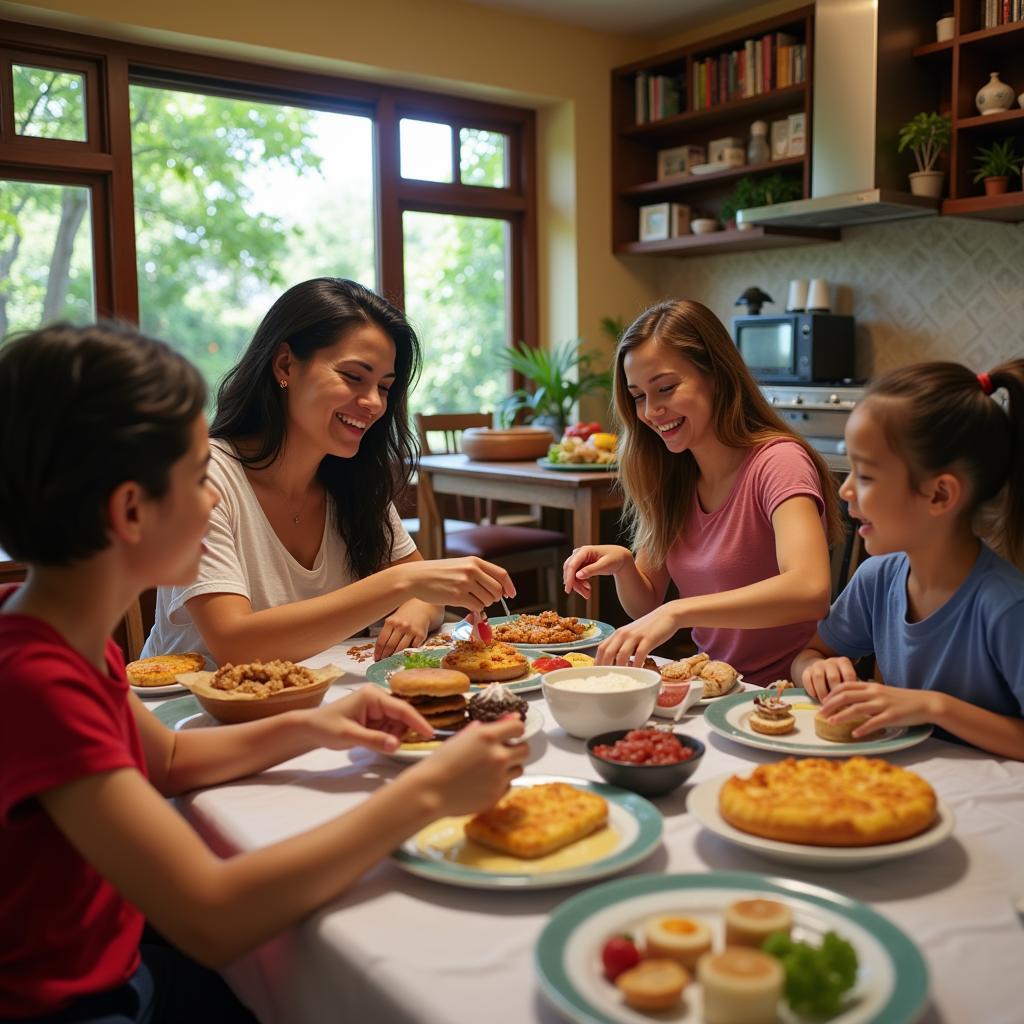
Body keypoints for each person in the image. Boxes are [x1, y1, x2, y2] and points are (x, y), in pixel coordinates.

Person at [0, 323, 527, 1022]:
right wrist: (424, 796)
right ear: (129, 510)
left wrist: (319, 723)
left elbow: (173, 757)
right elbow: (213, 918)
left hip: (120, 966)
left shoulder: (63, 636)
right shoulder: (34, 682)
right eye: (195, 479)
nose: (215, 499)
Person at [142, 278, 514, 666]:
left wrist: (414, 609)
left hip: (308, 704)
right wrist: (402, 585)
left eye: (384, 387)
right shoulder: (205, 479)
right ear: (285, 364)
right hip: (188, 715)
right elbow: (236, 643)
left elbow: (425, 595)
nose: (373, 402)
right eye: (354, 377)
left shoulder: (352, 480)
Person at [563, 300, 842, 684]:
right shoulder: (674, 474)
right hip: (710, 687)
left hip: (786, 690)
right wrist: (625, 565)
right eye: (639, 396)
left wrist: (679, 611)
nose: (651, 411)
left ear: (717, 375)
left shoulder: (779, 462)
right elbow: (646, 602)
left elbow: (810, 590)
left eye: (666, 388)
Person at [792, 360, 1024, 760]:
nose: (845, 490)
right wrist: (815, 670)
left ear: (939, 495)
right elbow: (809, 654)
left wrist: (935, 707)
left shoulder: (1005, 607)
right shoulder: (877, 578)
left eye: (865, 476)